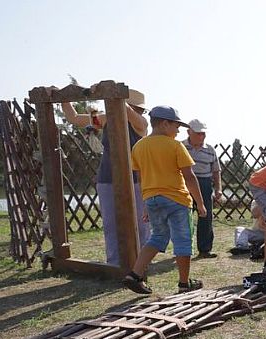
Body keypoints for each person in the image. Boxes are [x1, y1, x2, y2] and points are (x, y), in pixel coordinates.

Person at [123, 106, 207, 295]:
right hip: (177, 199)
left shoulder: (139, 146)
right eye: (176, 126)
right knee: (183, 240)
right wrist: (200, 203)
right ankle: (184, 283)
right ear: (164, 123)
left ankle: (135, 275)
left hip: (152, 199)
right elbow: (189, 176)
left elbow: (143, 176)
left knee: (158, 237)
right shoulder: (175, 146)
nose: (178, 131)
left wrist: (147, 204)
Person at [60, 89, 150, 265]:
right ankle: (115, 262)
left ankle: (142, 262)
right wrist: (65, 99)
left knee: (141, 223)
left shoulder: (141, 123)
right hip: (107, 177)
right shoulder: (106, 118)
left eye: (140, 110)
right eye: (138, 109)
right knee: (111, 224)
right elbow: (75, 118)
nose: (140, 112)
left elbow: (126, 111)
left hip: (136, 179)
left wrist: (105, 91)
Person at [182, 119, 222, 258]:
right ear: (189, 132)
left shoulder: (210, 150)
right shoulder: (181, 147)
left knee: (205, 216)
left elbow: (216, 171)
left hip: (205, 183)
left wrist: (218, 188)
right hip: (184, 183)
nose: (201, 136)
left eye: (203, 133)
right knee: (184, 217)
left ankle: (204, 249)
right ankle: (184, 250)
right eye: (198, 133)